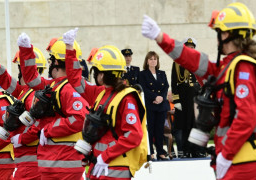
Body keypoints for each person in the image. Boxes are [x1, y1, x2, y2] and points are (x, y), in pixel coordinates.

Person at [141, 2, 256, 179]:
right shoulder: (227, 67)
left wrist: (226, 155)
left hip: (242, 162)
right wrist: (161, 37)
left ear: (228, 34)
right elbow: (190, 58)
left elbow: (246, 117)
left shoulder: (243, 68)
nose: (217, 38)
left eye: (219, 32)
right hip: (236, 160)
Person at [63, 28, 147, 179]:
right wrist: (70, 49)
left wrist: (106, 156)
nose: (94, 75)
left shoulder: (127, 98)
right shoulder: (100, 93)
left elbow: (134, 135)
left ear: (101, 74)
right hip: (99, 165)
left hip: (114, 167)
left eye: (95, 72)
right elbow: (75, 79)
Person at [16, 32, 89, 179]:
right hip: (52, 163)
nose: (49, 64)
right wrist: (26, 50)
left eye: (51, 60)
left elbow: (79, 118)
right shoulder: (54, 86)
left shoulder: (69, 88)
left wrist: (49, 129)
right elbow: (31, 79)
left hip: (64, 164)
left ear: (56, 62)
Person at [0, 46, 46, 179]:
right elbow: (5, 79)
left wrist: (20, 138)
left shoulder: (32, 94)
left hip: (30, 164)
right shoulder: (24, 91)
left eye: (21, 68)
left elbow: (38, 126)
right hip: (25, 163)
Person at [171, 37, 203, 158]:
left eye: (192, 48)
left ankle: (196, 150)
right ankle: (185, 150)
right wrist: (177, 100)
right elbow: (174, 82)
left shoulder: (198, 62)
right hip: (183, 97)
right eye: (188, 48)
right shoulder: (177, 63)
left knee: (196, 125)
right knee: (185, 126)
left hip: (195, 96)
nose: (190, 49)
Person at [139, 51, 169, 161]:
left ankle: (160, 152)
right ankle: (150, 152)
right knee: (150, 129)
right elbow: (144, 88)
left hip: (161, 106)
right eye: (151, 59)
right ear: (147, 61)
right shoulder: (143, 74)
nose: (153, 61)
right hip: (150, 105)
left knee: (159, 130)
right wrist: (155, 97)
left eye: (155, 59)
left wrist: (161, 97)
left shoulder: (162, 73)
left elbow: (166, 86)